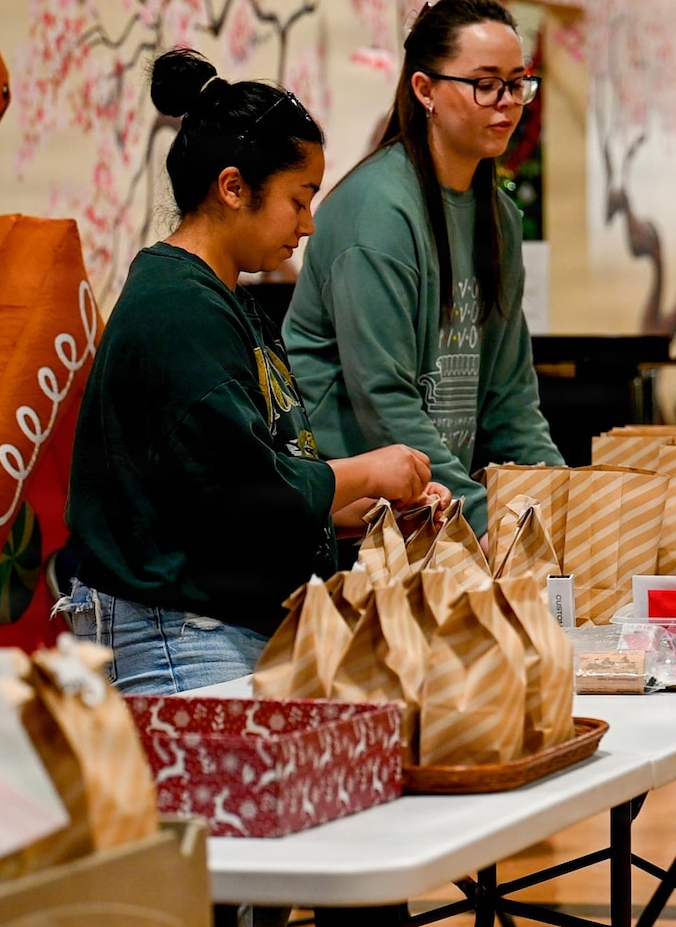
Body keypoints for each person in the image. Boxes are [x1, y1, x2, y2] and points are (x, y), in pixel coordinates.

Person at [62, 48, 441, 697]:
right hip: (178, 633)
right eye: (299, 199)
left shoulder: (231, 304)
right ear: (233, 187)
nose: (309, 223)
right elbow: (245, 487)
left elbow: (262, 482)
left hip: (223, 625)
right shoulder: (176, 310)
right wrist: (374, 468)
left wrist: (375, 509)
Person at [285, 0, 563, 536]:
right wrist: (487, 524)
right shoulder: (378, 215)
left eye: (517, 83)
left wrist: (563, 509)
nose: (506, 101)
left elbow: (511, 400)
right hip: (350, 527)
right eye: (484, 84)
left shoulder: (498, 216)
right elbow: (385, 402)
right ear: (425, 89)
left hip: (432, 512)